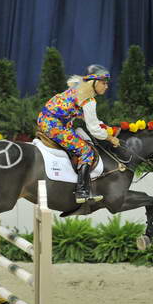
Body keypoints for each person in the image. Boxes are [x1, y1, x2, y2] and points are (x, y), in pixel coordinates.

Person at [37, 64, 120, 204]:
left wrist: (105, 127)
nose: (106, 87)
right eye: (103, 83)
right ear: (94, 82)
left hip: (48, 120)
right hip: (55, 126)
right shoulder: (88, 100)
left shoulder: (78, 89)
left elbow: (91, 120)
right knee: (86, 151)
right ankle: (82, 192)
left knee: (81, 136)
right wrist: (110, 137)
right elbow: (93, 129)